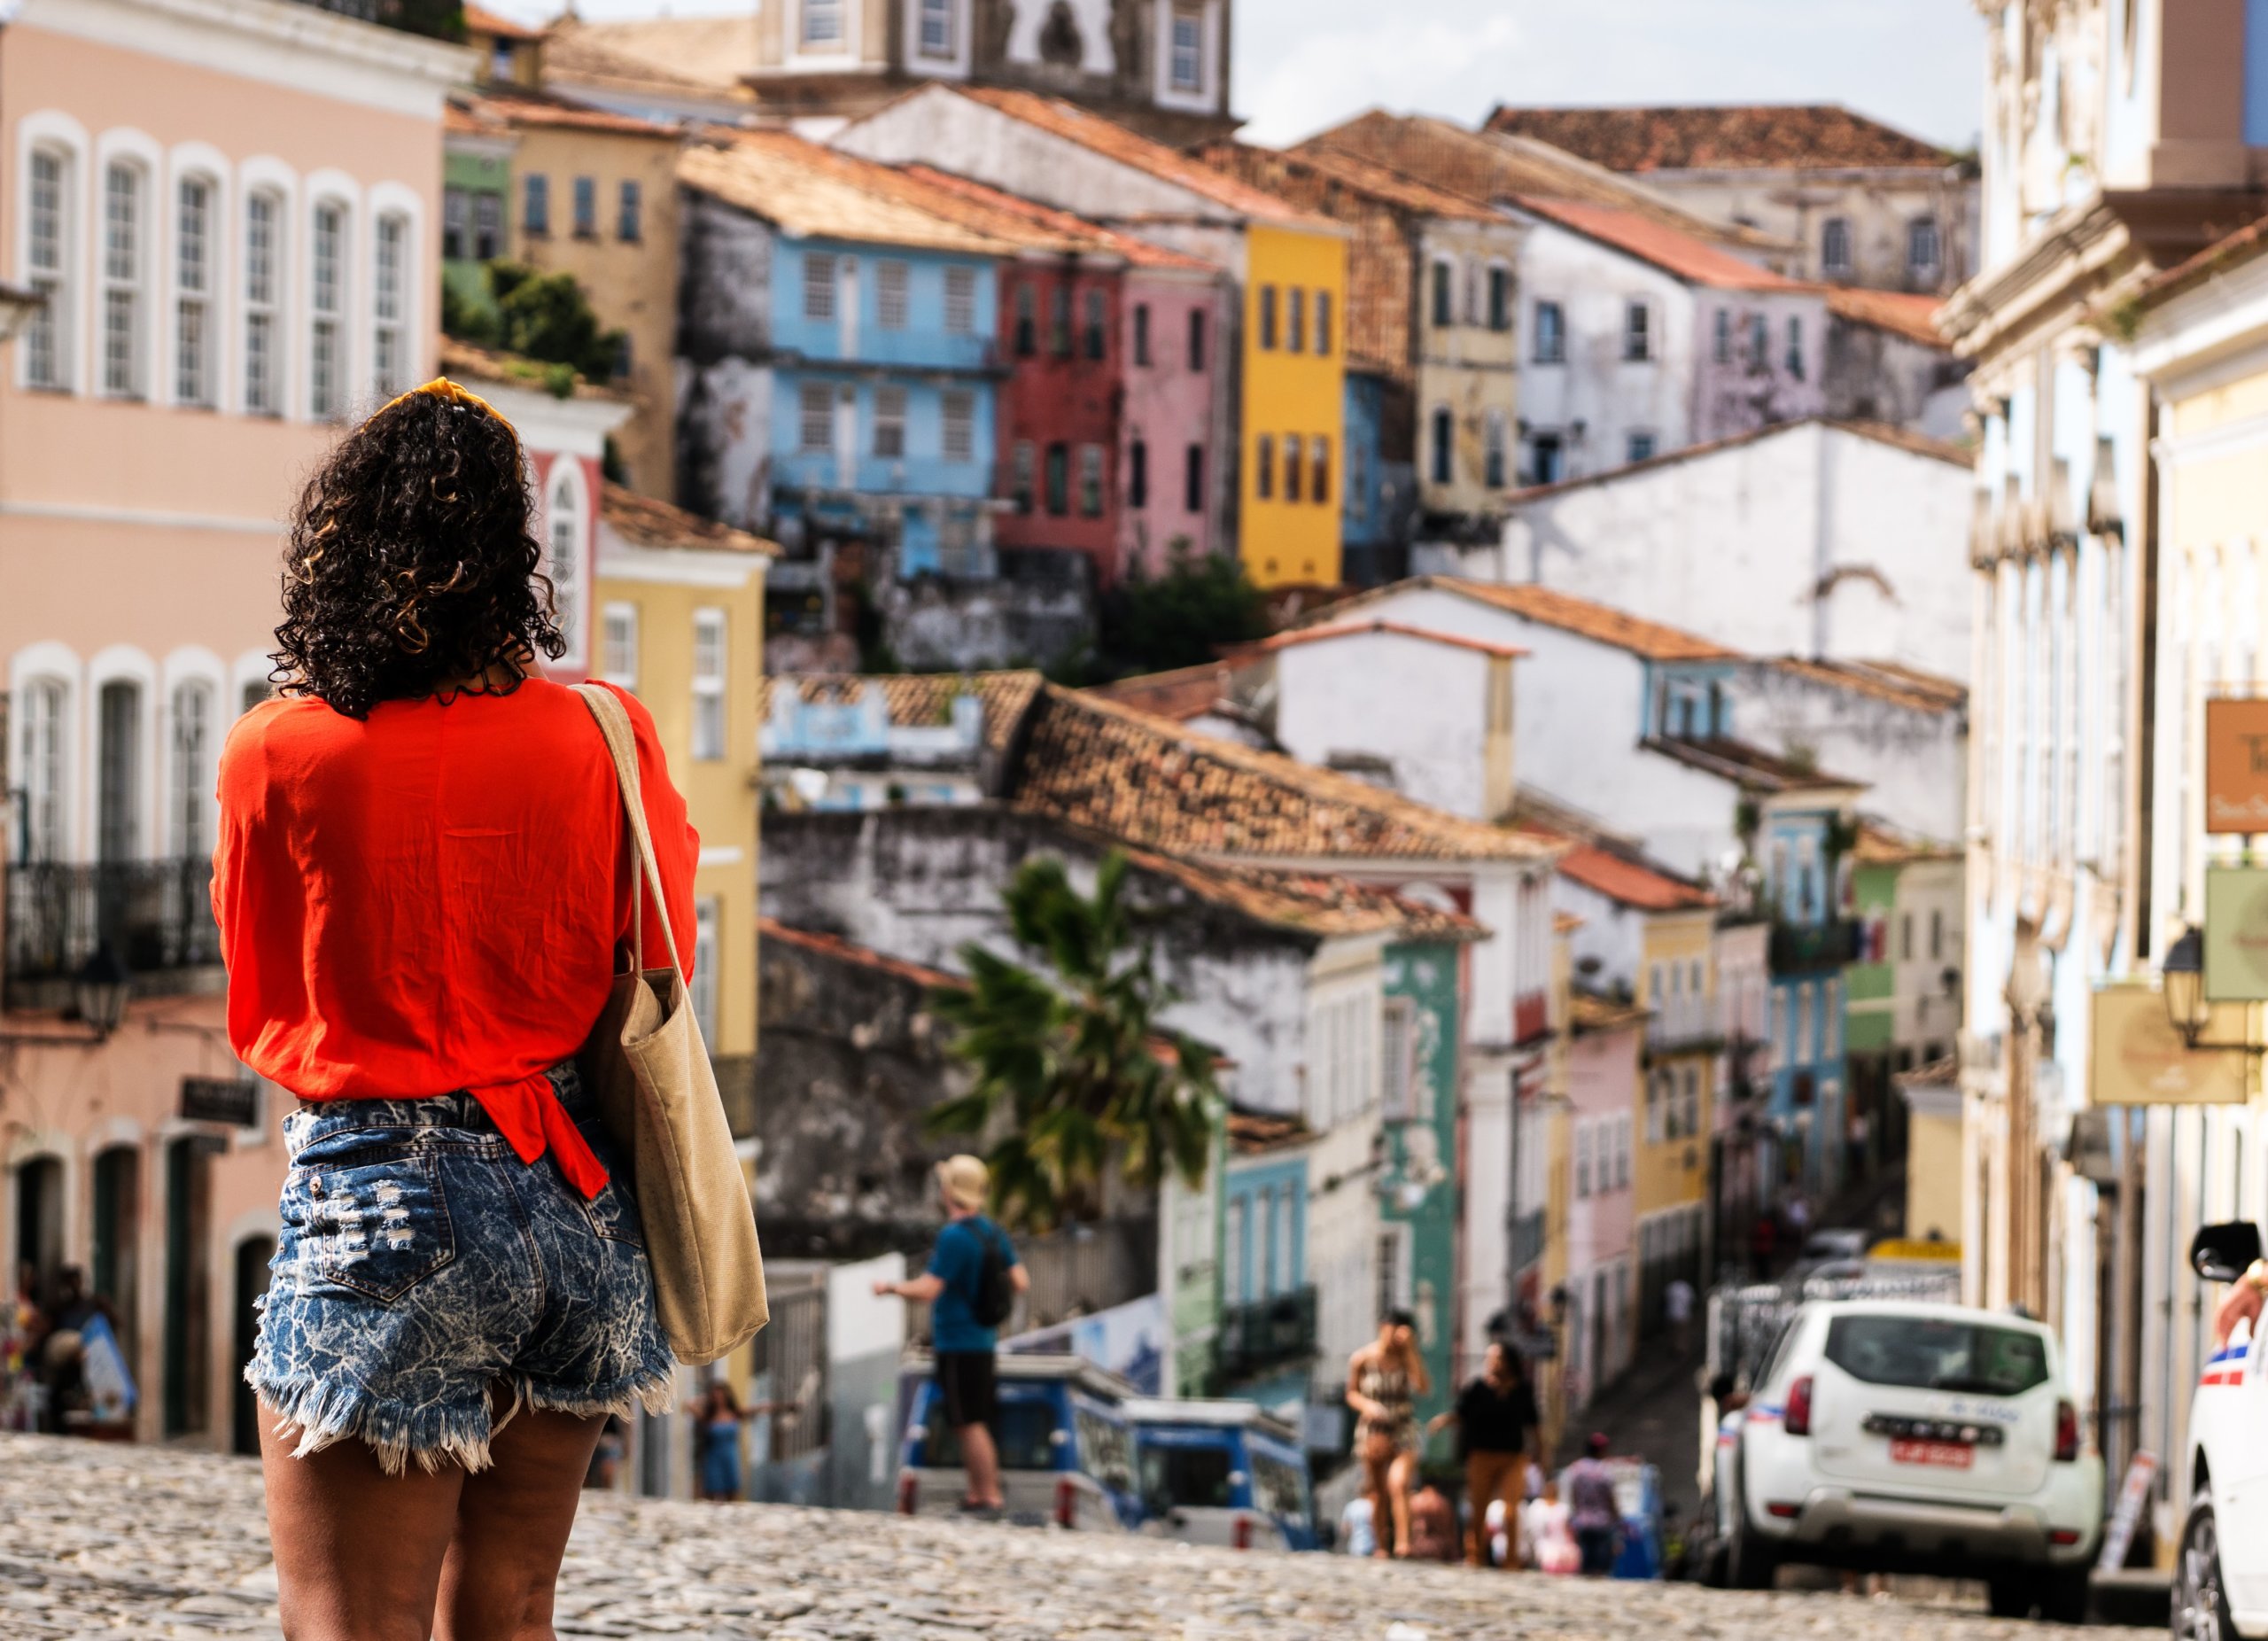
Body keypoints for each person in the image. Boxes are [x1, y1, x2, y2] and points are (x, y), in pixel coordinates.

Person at [218, 378, 696, 1638]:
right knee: (509, 1607)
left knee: (350, 1620)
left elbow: (265, 999)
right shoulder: (606, 735)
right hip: (577, 1205)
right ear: (514, 550)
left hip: (387, 1195)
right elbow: (658, 954)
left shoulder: (279, 748)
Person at [874, 1155, 1028, 1513]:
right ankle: (979, 1492)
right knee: (972, 1420)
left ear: (949, 1191)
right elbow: (1021, 1281)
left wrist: (890, 1289)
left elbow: (929, 1289)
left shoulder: (954, 1236)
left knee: (968, 1422)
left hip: (958, 1342)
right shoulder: (992, 1231)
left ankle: (987, 1493)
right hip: (984, 1340)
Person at [1427, 1342, 1540, 1568]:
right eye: (1488, 1357)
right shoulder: (1477, 1387)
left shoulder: (1522, 1389)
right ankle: (1475, 1555)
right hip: (1481, 1455)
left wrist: (1541, 1453)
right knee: (1478, 1508)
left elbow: (1534, 1424)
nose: (1490, 1361)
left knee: (1511, 1511)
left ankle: (1511, 1559)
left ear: (1508, 1360)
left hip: (1512, 1457)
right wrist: (1443, 1421)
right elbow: (1461, 1413)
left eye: (1495, 1357)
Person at [1346, 1310, 1430, 1558]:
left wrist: (1412, 1350)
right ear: (1384, 1327)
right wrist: (1368, 1406)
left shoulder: (1407, 1358)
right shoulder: (1362, 1358)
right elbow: (1351, 1393)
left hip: (1402, 1426)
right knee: (1377, 1490)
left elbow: (1423, 1387)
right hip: (1373, 1429)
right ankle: (1381, 1544)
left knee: (1399, 1482)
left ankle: (1404, 1542)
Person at [1565, 1432, 1623, 1576]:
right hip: (1602, 1522)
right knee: (1601, 1564)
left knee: (1585, 1561)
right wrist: (1617, 1517)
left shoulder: (1576, 1469)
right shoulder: (1604, 1471)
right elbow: (1610, 1498)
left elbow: (1574, 1495)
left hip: (1583, 1521)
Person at [691, 1384, 744, 1503]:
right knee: (711, 1494)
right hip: (713, 1457)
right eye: (715, 1396)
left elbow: (759, 1409)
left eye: (721, 1395)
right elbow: (688, 1405)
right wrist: (702, 1398)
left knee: (732, 1494)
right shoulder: (708, 1416)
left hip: (730, 1456)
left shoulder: (735, 1413)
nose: (718, 1398)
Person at [1405, 1478, 1461, 1562]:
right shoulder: (1443, 1503)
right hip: (1438, 1549)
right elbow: (1450, 1531)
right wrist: (1454, 1553)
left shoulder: (1415, 1501)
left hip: (1417, 1548)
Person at [1664, 1276, 1697, 1357]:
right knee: (1682, 1334)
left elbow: (1665, 1298)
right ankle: (1680, 1350)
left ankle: (1674, 1349)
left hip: (1671, 1314)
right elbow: (1692, 1300)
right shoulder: (1687, 1287)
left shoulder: (1671, 1286)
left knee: (1673, 1333)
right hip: (1684, 1315)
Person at [1338, 1492, 1378, 1558]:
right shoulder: (1371, 1504)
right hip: (1371, 1545)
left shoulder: (1350, 1506)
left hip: (1355, 1546)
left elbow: (1344, 1529)